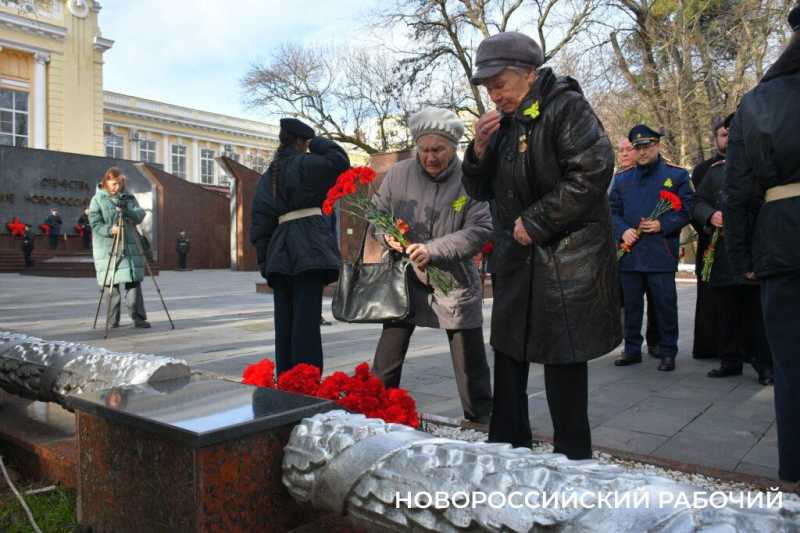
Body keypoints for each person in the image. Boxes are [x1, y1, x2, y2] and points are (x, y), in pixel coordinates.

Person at [462, 32, 620, 458]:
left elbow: (592, 170)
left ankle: (572, 455)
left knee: (563, 359)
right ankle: (508, 444)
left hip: (566, 258)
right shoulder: (503, 123)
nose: (494, 95)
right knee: (509, 353)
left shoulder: (567, 107)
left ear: (530, 74)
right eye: (488, 87)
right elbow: (478, 189)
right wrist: (477, 150)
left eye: (501, 84)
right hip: (517, 257)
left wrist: (535, 221)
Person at [372, 107, 493, 425]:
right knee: (388, 355)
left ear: (454, 147)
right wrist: (387, 236)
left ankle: (481, 419)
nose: (430, 157)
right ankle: (374, 411)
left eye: (438, 150)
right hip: (404, 276)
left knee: (469, 360)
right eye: (424, 150)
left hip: (453, 277)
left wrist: (434, 250)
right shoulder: (399, 174)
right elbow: (377, 214)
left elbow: (480, 229)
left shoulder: (470, 179)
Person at [724, 4, 800, 482]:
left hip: (782, 240)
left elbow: (739, 189)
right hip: (781, 239)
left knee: (791, 367)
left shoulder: (759, 101)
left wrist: (743, 255)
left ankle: (794, 471)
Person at [250, 118, 349, 375]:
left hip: (280, 253)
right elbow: (340, 161)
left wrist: (264, 262)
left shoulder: (269, 175)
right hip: (309, 249)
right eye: (307, 142)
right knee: (306, 324)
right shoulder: (307, 163)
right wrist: (318, 142)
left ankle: (286, 380)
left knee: (284, 324)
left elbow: (260, 221)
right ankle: (306, 381)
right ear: (301, 141)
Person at [609, 125, 692, 372]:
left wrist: (662, 224)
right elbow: (611, 211)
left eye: (647, 147)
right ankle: (632, 349)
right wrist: (622, 229)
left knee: (665, 305)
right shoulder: (622, 179)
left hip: (660, 251)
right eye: (638, 148)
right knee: (632, 305)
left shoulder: (676, 176)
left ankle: (668, 351)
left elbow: (687, 209)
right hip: (630, 252)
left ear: (657, 146)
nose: (642, 152)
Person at [691, 139, 773, 385]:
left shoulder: (763, 170)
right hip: (723, 256)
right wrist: (710, 215)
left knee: (757, 314)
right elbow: (697, 203)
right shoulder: (715, 172)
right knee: (726, 312)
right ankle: (730, 361)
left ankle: (765, 366)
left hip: (753, 252)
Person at [89, 167, 150, 329]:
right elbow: (95, 223)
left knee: (133, 282)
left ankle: (138, 318)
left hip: (129, 246)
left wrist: (127, 210)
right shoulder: (97, 199)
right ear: (106, 181)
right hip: (107, 248)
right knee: (111, 284)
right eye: (114, 183)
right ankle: (112, 320)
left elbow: (139, 215)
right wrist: (110, 230)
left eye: (119, 183)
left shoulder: (128, 198)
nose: (117, 187)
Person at [615, 137, 659, 356]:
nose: (623, 154)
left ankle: (656, 342)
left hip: (651, 248)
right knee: (627, 300)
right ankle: (629, 343)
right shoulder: (615, 179)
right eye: (620, 150)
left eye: (627, 149)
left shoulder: (654, 175)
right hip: (621, 249)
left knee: (656, 298)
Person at [690, 119, 729, 360]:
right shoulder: (703, 170)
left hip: (738, 249)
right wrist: (708, 221)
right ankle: (709, 348)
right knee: (710, 302)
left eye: (730, 135)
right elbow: (694, 206)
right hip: (711, 245)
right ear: (715, 139)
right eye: (723, 135)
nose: (727, 139)